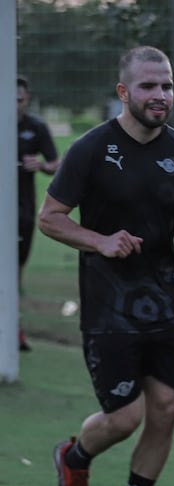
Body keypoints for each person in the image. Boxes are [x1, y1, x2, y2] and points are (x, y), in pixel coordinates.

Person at [40, 46, 174, 486]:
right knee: (124, 417)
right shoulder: (91, 150)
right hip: (107, 304)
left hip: (164, 302)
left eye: (166, 85)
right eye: (148, 86)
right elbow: (50, 217)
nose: (160, 95)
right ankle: (74, 458)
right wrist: (100, 241)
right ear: (124, 92)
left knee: (166, 408)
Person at [17, 75, 60, 351]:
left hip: (23, 210)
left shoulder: (36, 127)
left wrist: (41, 166)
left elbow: (56, 164)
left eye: (19, 99)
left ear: (27, 98)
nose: (15, 105)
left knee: (15, 272)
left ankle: (14, 330)